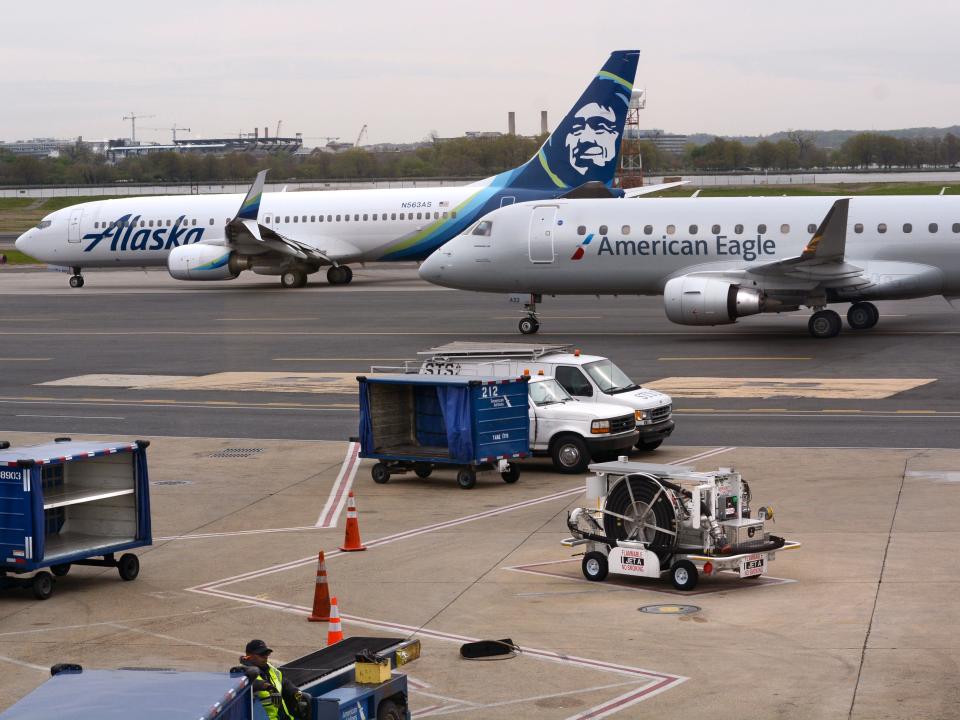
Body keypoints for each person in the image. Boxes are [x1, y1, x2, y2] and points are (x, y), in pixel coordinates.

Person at [239, 639, 305, 720]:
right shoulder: (242, 672)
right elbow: (250, 684)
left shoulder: (271, 669)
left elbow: (285, 683)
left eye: (267, 653)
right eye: (261, 654)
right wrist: (268, 687)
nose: (265, 656)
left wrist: (297, 694)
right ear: (249, 655)